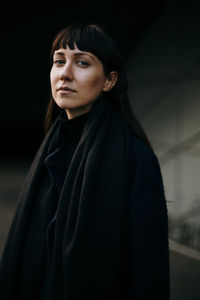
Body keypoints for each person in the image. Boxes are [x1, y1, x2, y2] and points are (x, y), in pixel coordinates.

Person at [0, 22, 169, 300]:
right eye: (58, 61)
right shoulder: (52, 148)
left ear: (109, 81)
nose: (64, 74)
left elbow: (148, 274)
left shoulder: (135, 159)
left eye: (81, 62)